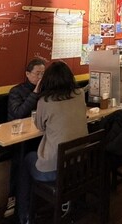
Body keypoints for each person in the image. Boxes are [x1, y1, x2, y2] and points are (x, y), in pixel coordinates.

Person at [16, 61, 88, 224]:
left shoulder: (45, 101)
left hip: (56, 172)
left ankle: (25, 216)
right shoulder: (79, 94)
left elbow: (40, 126)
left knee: (26, 160)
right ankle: (65, 203)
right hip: (79, 164)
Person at [5, 58, 47, 217]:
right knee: (21, 155)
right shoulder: (16, 91)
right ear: (27, 74)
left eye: (43, 74)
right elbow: (18, 114)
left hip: (38, 135)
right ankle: (15, 197)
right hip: (19, 137)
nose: (40, 77)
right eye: (37, 74)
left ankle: (34, 197)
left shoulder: (46, 90)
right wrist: (35, 93)